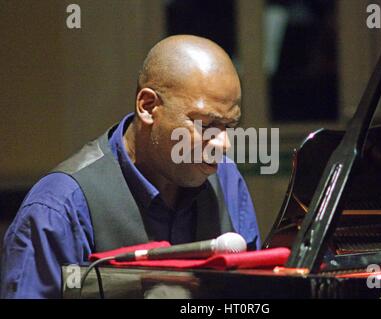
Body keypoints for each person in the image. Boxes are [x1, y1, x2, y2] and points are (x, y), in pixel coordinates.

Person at [0, 35, 261, 298]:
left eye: (229, 126)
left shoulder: (227, 181)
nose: (224, 143)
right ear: (148, 107)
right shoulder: (60, 206)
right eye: (206, 125)